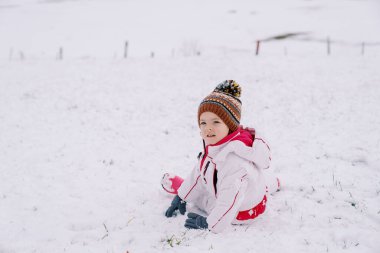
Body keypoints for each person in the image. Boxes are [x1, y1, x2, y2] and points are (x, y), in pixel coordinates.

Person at [163, 80, 280, 233]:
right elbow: (200, 171)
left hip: (241, 211)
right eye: (203, 122)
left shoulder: (234, 163)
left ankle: (185, 187)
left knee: (205, 200)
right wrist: (182, 196)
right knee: (254, 181)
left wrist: (209, 223)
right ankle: (274, 182)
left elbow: (228, 203)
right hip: (250, 189)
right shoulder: (215, 145)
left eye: (216, 122)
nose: (208, 128)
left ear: (230, 125)